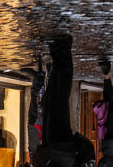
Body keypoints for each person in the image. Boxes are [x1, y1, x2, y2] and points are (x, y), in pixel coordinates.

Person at [32, 34, 96, 167]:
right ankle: (63, 48)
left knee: (50, 99)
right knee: (59, 98)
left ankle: (56, 51)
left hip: (54, 150)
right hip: (62, 149)